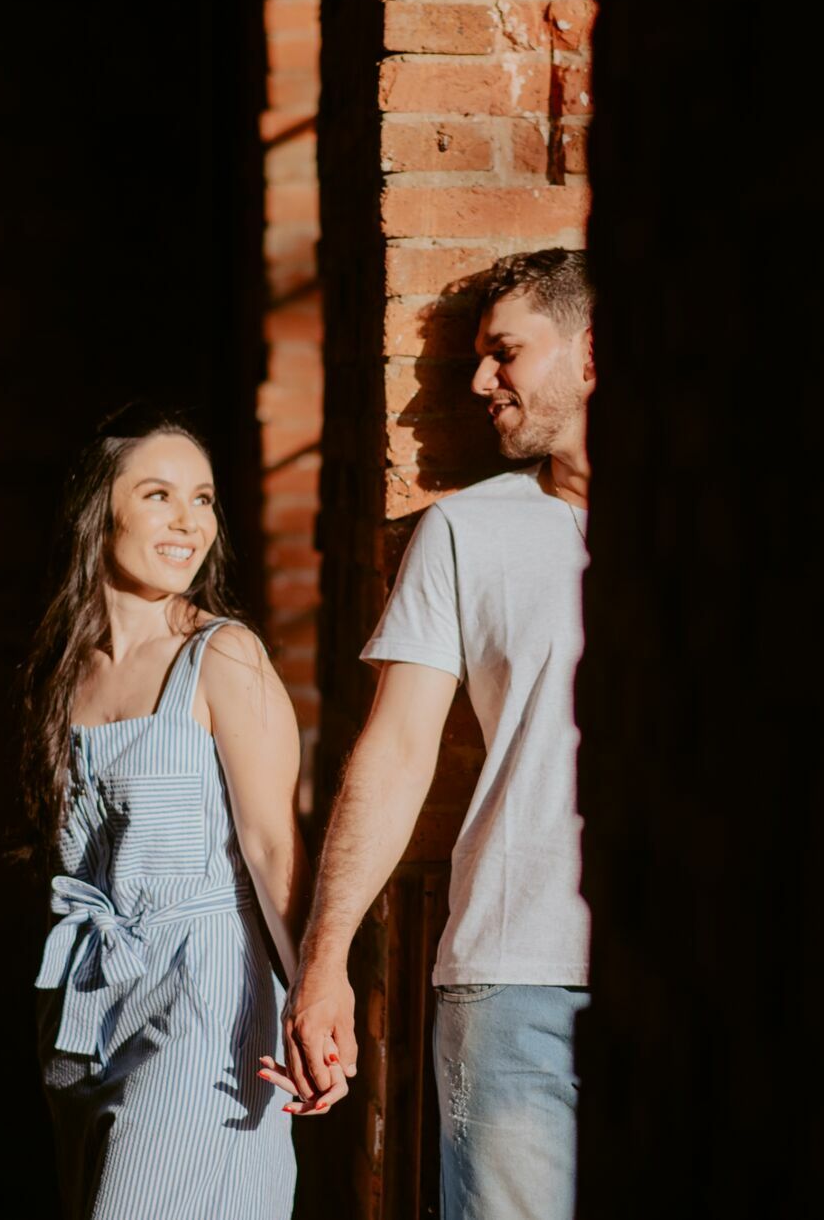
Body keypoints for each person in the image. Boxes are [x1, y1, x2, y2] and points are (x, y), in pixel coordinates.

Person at [263, 249, 595, 1218]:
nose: (480, 380)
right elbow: (397, 752)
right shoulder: (467, 532)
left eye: (505, 352)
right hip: (514, 972)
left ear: (590, 353)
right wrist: (326, 966)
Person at [20, 404, 315, 1219]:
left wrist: (320, 994)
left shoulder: (221, 654)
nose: (189, 522)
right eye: (159, 495)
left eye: (205, 499)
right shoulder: (66, 674)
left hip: (205, 1001)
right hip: (90, 1000)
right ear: (100, 513)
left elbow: (271, 846)